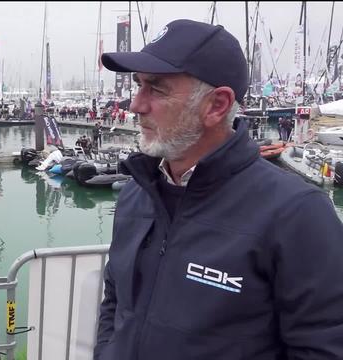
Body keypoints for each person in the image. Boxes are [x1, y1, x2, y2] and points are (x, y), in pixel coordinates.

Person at [96, 19, 343, 359]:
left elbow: (324, 347)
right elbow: (115, 301)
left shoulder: (297, 214)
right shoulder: (135, 195)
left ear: (217, 105)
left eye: (156, 88)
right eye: (137, 86)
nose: (136, 105)